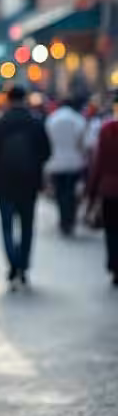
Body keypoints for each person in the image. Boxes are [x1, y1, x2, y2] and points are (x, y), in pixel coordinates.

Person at [0, 85, 51, 289]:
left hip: (4, 184)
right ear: (25, 99)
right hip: (29, 183)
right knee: (27, 226)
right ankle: (23, 265)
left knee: (6, 227)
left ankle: (13, 263)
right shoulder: (35, 122)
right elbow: (46, 152)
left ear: (8, 99)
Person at [87, 93, 118, 285]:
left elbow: (98, 163)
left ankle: (114, 265)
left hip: (109, 189)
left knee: (112, 230)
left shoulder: (106, 129)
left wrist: (91, 191)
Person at [45, 97, 88, 235]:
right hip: (74, 161)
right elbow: (82, 142)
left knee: (60, 192)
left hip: (56, 161)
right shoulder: (78, 119)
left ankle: (63, 218)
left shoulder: (52, 119)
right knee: (71, 192)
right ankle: (70, 218)